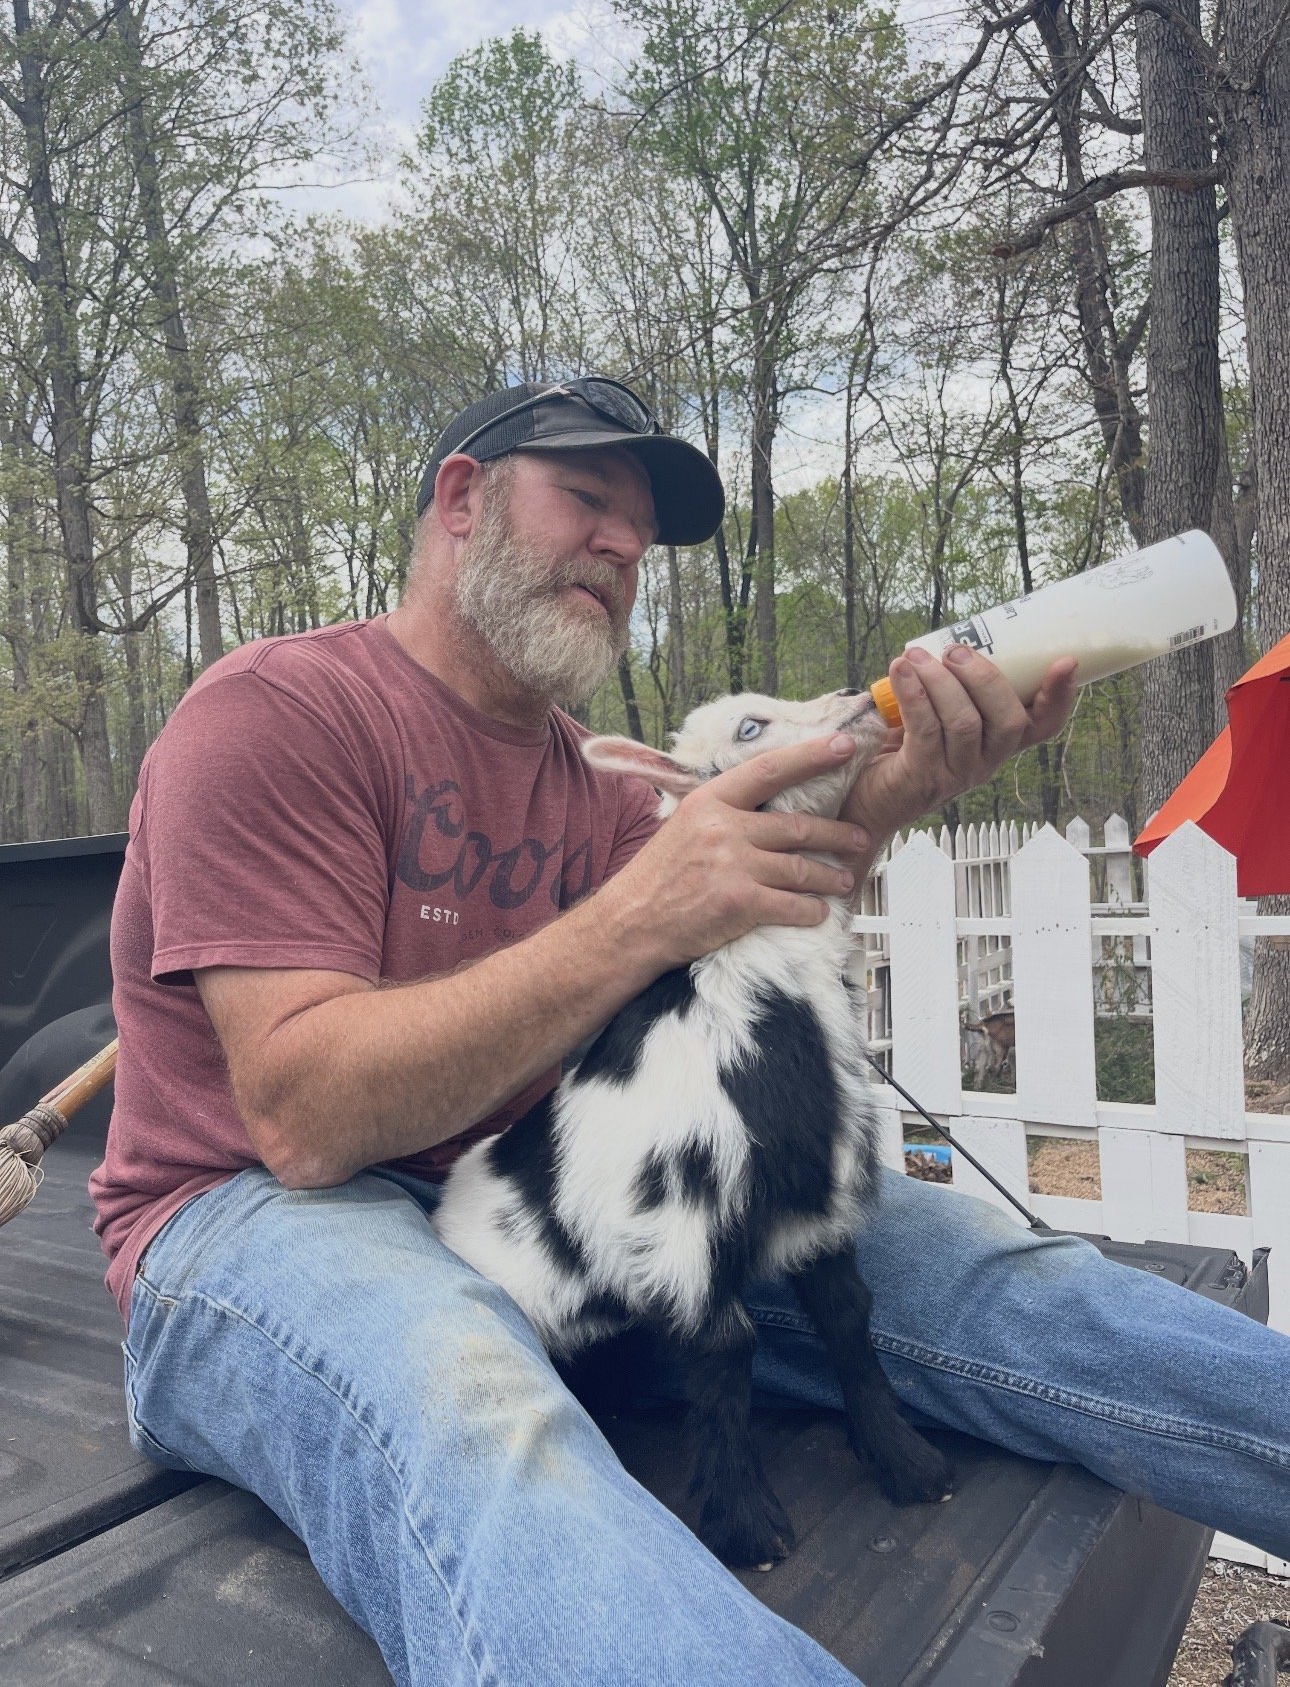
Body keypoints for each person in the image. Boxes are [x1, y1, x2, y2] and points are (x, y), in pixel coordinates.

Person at [91, 378, 1290, 1687]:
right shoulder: (277, 712)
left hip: (553, 1198)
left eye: (642, 531)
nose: (621, 546)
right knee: (473, 1400)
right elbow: (305, 1117)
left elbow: (745, 932)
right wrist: (635, 917)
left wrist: (893, 790)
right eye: (586, 498)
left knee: (1010, 1279)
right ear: (459, 500)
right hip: (252, 1216)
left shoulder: (583, 781)